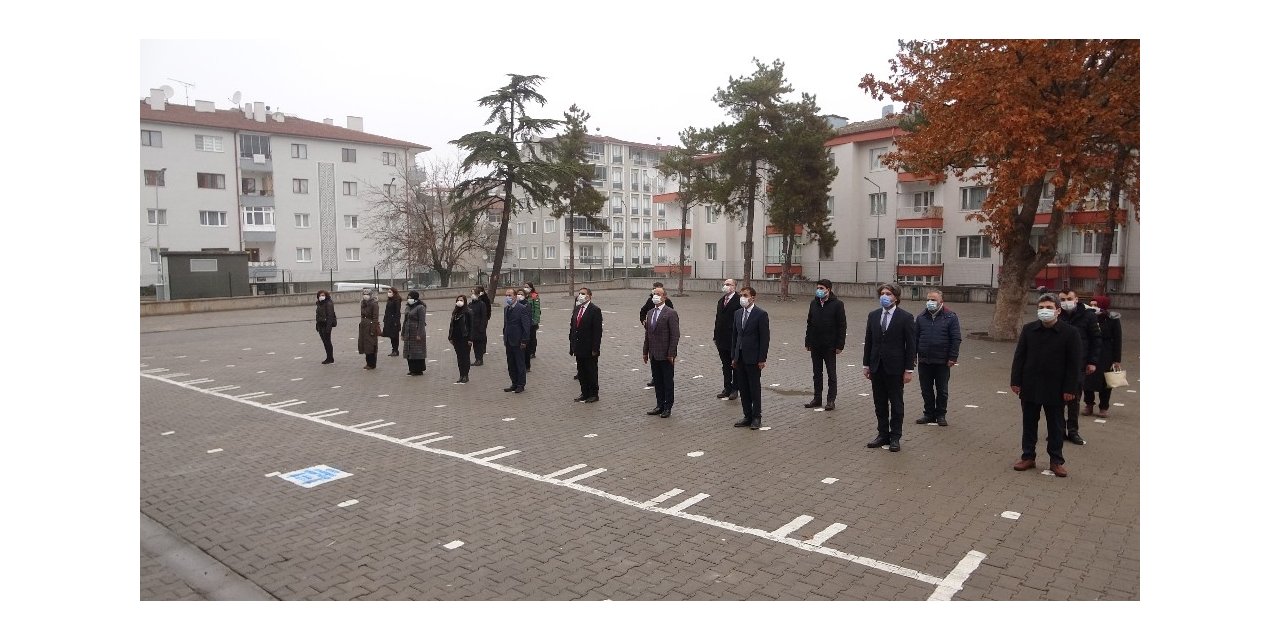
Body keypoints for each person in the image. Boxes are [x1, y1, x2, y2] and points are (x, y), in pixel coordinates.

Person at [1011, 294, 1082, 478]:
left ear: (1058, 310)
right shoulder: (1029, 330)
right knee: (1029, 423)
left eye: (1049, 307)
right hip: (1030, 385)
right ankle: (1028, 456)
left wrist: (1070, 389)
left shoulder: (1070, 333)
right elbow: (1019, 357)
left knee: (1056, 426)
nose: (1045, 310)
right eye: (1042, 307)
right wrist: (1016, 381)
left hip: (1056, 389)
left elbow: (1074, 364)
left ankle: (1056, 461)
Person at [863, 283, 917, 452]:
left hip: (895, 368)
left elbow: (911, 345)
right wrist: (866, 365)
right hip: (876, 367)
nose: (884, 296)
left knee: (896, 403)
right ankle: (882, 434)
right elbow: (869, 342)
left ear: (896, 297)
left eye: (888, 294)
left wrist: (909, 369)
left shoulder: (905, 317)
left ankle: (895, 437)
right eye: (882, 293)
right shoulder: (873, 315)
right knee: (879, 403)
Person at [1058, 288, 1101, 445]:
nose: (1066, 302)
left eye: (1069, 298)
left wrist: (1092, 362)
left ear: (1076, 299)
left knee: (1074, 399)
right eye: (1062, 299)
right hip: (1059, 364)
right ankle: (1059, 430)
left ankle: (1073, 431)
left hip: (1079, 364)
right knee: (1057, 400)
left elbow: (1096, 340)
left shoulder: (1088, 316)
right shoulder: (1058, 315)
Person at [914, 288, 962, 426]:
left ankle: (941, 414)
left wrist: (952, 357)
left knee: (942, 390)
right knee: (926, 389)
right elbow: (915, 338)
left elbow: (956, 338)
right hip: (924, 360)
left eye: (933, 300)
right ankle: (928, 414)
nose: (930, 302)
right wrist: (913, 356)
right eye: (928, 299)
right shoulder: (921, 317)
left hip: (942, 361)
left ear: (941, 301)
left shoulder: (951, 317)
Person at [804, 278, 847, 411]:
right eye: (818, 288)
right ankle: (817, 398)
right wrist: (808, 341)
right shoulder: (814, 303)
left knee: (831, 374)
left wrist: (840, 345)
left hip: (830, 346)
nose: (819, 291)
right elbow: (809, 323)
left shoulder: (837, 304)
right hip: (815, 344)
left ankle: (831, 400)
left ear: (828, 290)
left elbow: (842, 325)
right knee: (817, 373)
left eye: (822, 288)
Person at [731, 286, 769, 430]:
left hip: (753, 358)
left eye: (745, 295)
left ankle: (756, 416)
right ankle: (747, 415)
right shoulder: (737, 314)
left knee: (754, 388)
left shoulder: (761, 314)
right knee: (743, 388)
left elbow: (764, 339)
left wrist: (761, 359)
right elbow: (735, 336)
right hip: (740, 357)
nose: (743, 298)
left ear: (753, 297)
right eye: (741, 295)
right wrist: (734, 356)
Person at [642, 286, 681, 418]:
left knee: (667, 381)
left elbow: (675, 335)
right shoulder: (650, 312)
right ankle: (659, 405)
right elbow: (648, 334)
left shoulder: (670, 313)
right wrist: (645, 351)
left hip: (666, 354)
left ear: (664, 297)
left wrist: (671, 353)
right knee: (658, 381)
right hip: (654, 353)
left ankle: (667, 407)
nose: (655, 296)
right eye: (654, 294)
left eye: (658, 294)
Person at [1083, 295, 1123, 418]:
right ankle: (1089, 404)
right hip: (1089, 350)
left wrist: (1116, 360)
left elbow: (1117, 339)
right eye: (1091, 305)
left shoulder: (1112, 319)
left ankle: (1103, 406)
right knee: (1087, 379)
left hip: (1106, 352)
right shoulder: (1086, 317)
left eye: (1096, 305)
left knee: (1106, 381)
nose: (1093, 307)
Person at [570, 287, 603, 403]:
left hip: (589, 348)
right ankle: (584, 393)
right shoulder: (577, 309)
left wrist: (595, 348)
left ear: (589, 296)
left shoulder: (595, 310)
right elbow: (573, 328)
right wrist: (572, 346)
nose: (580, 295)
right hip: (578, 346)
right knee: (581, 371)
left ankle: (593, 394)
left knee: (591, 371)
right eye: (579, 293)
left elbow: (597, 331)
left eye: (583, 294)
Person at [639, 281, 674, 388]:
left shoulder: (668, 304)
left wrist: (672, 351)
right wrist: (644, 321)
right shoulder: (650, 301)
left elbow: (674, 330)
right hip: (652, 334)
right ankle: (655, 379)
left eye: (658, 292)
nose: (655, 295)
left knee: (665, 366)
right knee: (655, 362)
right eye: (654, 290)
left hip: (663, 339)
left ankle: (666, 383)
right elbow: (642, 311)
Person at [713, 278, 742, 401]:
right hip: (721, 339)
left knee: (734, 364)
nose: (726, 286)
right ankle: (727, 387)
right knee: (725, 365)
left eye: (729, 284)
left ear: (734, 286)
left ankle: (735, 389)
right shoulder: (721, 301)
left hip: (733, 339)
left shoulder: (739, 301)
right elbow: (718, 319)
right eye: (725, 284)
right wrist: (715, 336)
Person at [501, 287, 531, 393]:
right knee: (511, 363)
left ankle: (520, 384)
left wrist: (524, 340)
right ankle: (514, 383)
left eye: (510, 295)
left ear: (515, 296)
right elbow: (506, 324)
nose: (508, 297)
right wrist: (505, 337)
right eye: (506, 295)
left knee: (519, 363)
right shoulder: (506, 309)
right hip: (509, 340)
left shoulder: (522, 308)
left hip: (518, 341)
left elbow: (526, 326)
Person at [447, 294, 473, 383]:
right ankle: (461, 375)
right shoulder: (455, 312)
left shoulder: (468, 312)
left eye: (461, 300)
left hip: (465, 338)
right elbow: (452, 325)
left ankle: (466, 375)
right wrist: (450, 337)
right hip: (456, 338)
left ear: (465, 301)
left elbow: (471, 326)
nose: (459, 302)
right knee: (459, 357)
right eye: (458, 300)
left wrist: (470, 339)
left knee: (465, 357)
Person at [401, 291, 427, 376]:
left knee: (418, 351)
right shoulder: (408, 307)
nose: (409, 299)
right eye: (408, 298)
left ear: (415, 298)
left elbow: (422, 321)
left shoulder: (420, 307)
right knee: (409, 351)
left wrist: (419, 334)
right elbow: (405, 321)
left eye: (410, 298)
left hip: (416, 331)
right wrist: (403, 333)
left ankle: (418, 370)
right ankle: (412, 369)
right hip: (408, 332)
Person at [358, 288, 380, 370]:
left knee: (371, 345)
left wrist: (373, 329)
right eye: (364, 294)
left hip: (371, 326)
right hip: (364, 326)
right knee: (365, 345)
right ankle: (368, 362)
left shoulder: (374, 304)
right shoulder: (363, 303)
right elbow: (362, 315)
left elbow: (375, 318)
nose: (365, 296)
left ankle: (372, 363)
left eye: (367, 294)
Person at [521, 282, 541, 370]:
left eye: (527, 287)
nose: (525, 288)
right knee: (526, 336)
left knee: (532, 337)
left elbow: (537, 309)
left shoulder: (534, 296)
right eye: (524, 287)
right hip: (525, 320)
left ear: (531, 288)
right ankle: (528, 351)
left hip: (532, 320)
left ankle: (532, 351)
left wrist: (535, 320)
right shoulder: (523, 296)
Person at [469, 286, 490, 367]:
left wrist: (482, 327)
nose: (472, 295)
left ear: (478, 295)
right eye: (471, 293)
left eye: (473, 293)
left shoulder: (482, 304)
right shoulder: (470, 304)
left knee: (479, 345)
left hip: (479, 328)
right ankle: (477, 359)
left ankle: (480, 359)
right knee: (475, 345)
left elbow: (484, 317)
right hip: (473, 327)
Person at [315, 290, 337, 364]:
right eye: (320, 295)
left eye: (323, 295)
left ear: (326, 296)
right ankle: (328, 357)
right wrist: (317, 325)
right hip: (320, 325)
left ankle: (330, 358)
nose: (321, 297)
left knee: (328, 342)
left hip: (326, 325)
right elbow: (317, 315)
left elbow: (330, 316)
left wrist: (328, 328)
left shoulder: (329, 303)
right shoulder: (319, 303)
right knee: (325, 342)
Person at [382, 287, 403, 356]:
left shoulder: (397, 300)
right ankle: (393, 350)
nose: (389, 293)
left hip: (394, 321)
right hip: (388, 320)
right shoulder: (389, 300)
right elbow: (387, 311)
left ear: (394, 293)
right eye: (388, 292)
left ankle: (396, 350)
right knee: (391, 336)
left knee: (395, 336)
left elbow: (397, 312)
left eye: (390, 292)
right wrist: (385, 319)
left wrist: (396, 321)